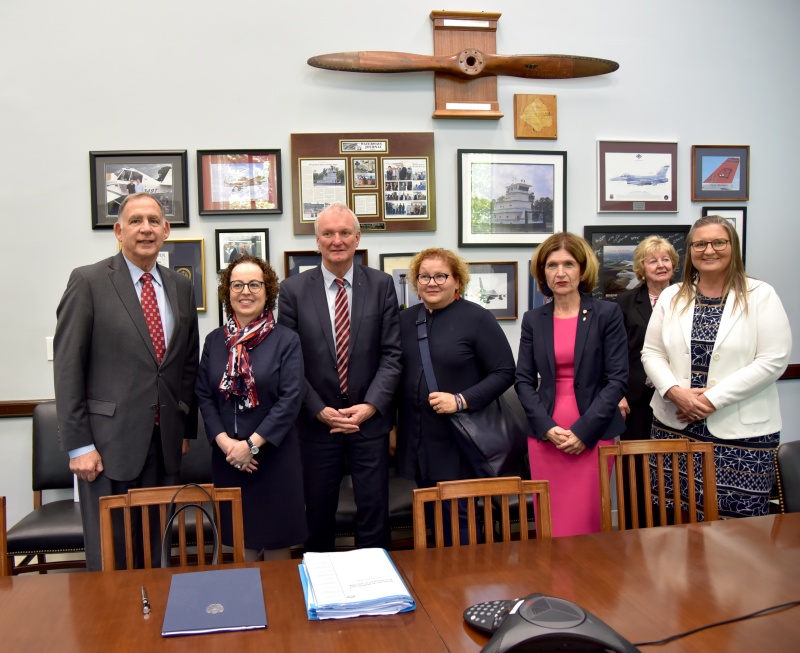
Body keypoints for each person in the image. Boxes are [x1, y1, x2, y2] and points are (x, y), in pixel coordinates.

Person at [53, 192, 199, 570]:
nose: (146, 229)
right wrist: (78, 446)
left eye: (154, 221)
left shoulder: (180, 286)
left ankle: (156, 626)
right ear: (119, 231)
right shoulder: (88, 281)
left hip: (164, 443)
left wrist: (182, 428)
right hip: (105, 448)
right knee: (112, 557)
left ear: (166, 231)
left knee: (158, 554)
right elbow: (68, 367)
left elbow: (186, 364)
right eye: (135, 221)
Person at [642, 215, 791, 519]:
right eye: (700, 244)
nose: (709, 250)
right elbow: (652, 353)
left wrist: (711, 399)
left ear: (732, 247)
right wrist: (675, 392)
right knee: (674, 522)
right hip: (675, 426)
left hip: (742, 438)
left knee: (738, 533)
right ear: (691, 251)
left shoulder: (761, 295)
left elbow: (772, 360)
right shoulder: (672, 296)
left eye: (718, 242)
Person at [278, 203, 402, 552]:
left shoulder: (381, 285)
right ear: (316, 240)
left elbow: (392, 355)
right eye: (328, 233)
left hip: (370, 422)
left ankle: (377, 585)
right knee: (317, 513)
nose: (337, 240)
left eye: (345, 232)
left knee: (374, 513)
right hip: (317, 424)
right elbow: (289, 362)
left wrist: (371, 406)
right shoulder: (293, 290)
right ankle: (319, 587)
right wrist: (318, 409)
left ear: (357, 238)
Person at [396, 248, 516, 544]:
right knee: (427, 521)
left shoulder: (477, 318)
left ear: (457, 281)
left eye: (440, 276)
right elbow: (395, 377)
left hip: (459, 439)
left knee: (459, 523)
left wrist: (461, 400)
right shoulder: (405, 321)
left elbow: (504, 372)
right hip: (417, 441)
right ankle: (435, 584)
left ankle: (464, 585)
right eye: (424, 276)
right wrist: (392, 427)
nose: (432, 282)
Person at [515, 232, 628, 537]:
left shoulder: (607, 314)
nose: (560, 273)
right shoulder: (533, 319)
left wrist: (583, 432)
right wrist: (546, 428)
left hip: (594, 432)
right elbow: (523, 380)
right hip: (546, 435)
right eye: (552, 265)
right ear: (543, 272)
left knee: (588, 522)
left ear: (582, 269)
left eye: (568, 264)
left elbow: (617, 378)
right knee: (550, 523)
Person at [196, 255, 307, 561]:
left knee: (276, 552)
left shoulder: (287, 340)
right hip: (228, 459)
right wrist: (228, 445)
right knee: (240, 550)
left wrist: (252, 447)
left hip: (273, 458)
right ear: (227, 292)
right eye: (237, 284)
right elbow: (204, 396)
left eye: (254, 284)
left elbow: (290, 399)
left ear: (267, 290)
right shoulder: (214, 341)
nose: (246, 291)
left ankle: (279, 610)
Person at [614, 236, 679, 526]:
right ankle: (634, 527)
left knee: (674, 466)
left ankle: (673, 523)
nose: (660, 265)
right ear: (642, 267)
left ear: (674, 264)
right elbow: (613, 353)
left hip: (679, 397)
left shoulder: (687, 298)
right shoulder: (625, 302)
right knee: (635, 466)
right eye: (653, 260)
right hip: (636, 397)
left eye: (665, 259)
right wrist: (617, 392)